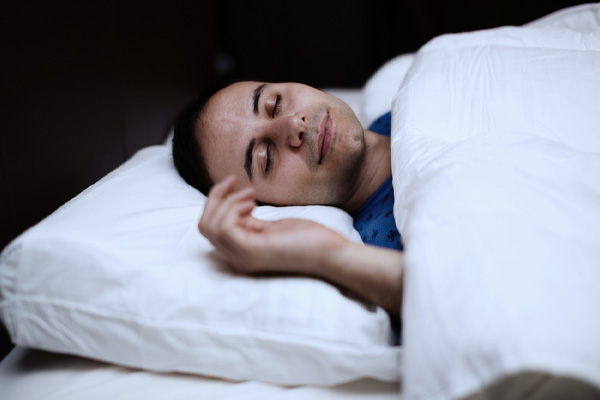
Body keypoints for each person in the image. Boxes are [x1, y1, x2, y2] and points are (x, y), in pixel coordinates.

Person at [172, 81, 404, 322]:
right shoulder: (382, 252)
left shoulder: (408, 102)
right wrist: (330, 256)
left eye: (275, 104)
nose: (294, 125)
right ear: (270, 205)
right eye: (267, 158)